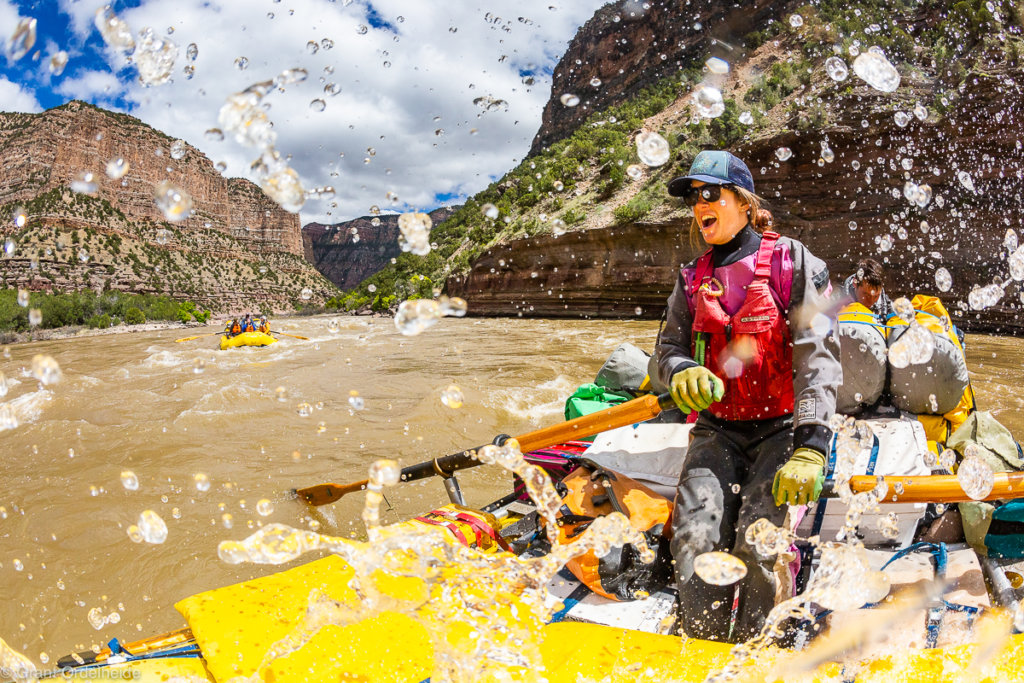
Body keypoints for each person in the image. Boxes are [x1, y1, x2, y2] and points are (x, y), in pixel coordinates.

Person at [657, 150, 842, 643]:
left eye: (710, 193)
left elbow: (819, 356)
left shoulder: (794, 262)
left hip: (783, 429)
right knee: (695, 538)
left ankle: (756, 648)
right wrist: (681, 370)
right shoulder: (690, 278)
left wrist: (811, 445)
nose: (700, 206)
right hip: (716, 429)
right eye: (693, 198)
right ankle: (701, 646)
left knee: (758, 545)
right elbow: (668, 351)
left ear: (742, 200)